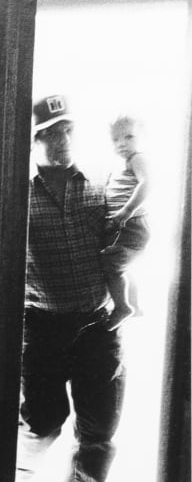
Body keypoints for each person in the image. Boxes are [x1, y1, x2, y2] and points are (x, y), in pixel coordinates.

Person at [18, 95, 124, 482]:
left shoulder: (102, 182)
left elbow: (126, 240)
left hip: (98, 325)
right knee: (41, 423)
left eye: (66, 130)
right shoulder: (17, 192)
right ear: (35, 139)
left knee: (98, 429)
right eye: (49, 132)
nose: (60, 139)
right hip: (40, 325)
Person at [102, 114, 150, 330]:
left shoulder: (137, 159)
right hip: (124, 223)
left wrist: (125, 212)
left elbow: (146, 184)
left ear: (141, 137)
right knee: (121, 266)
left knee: (111, 263)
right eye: (116, 139)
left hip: (131, 223)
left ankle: (122, 306)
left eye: (129, 137)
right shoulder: (120, 164)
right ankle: (133, 304)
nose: (122, 143)